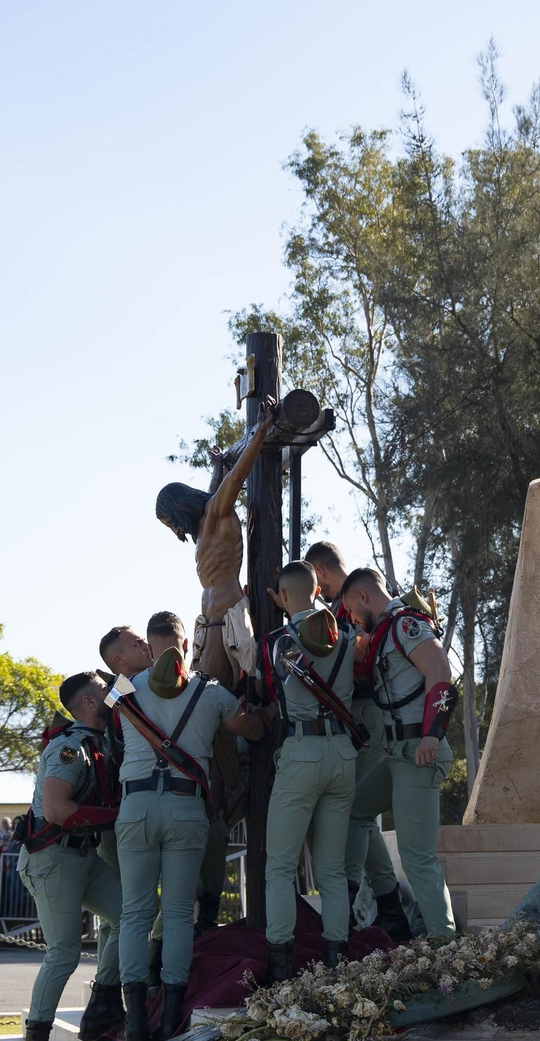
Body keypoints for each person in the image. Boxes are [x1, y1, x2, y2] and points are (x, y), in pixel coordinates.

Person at [114, 612, 263, 1041]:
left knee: (134, 914)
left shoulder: (122, 689)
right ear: (185, 645)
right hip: (185, 806)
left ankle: (136, 1019)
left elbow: (106, 721)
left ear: (149, 644)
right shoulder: (211, 692)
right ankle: (171, 1015)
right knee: (179, 914)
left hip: (136, 805)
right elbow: (249, 729)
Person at [338, 568, 458, 940]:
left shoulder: (405, 624)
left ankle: (446, 945)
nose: (354, 621)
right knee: (357, 808)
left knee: (417, 855)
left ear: (362, 596)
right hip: (397, 752)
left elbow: (440, 672)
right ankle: (348, 895)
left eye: (352, 612)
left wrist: (431, 737)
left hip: (418, 752)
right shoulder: (384, 631)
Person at [15, 672, 125, 1041]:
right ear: (90, 703)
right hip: (51, 857)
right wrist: (119, 815)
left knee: (129, 915)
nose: (113, 692)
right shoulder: (70, 747)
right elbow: (57, 810)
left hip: (81, 856)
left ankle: (102, 1004)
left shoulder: (103, 740)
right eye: (104, 689)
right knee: (64, 952)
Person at [259, 562, 359, 982]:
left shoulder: (277, 641)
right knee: (332, 870)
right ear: (319, 590)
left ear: (282, 597)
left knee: (280, 867)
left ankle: (281, 970)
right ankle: (337, 965)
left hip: (301, 751)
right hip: (343, 753)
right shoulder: (348, 635)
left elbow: (269, 690)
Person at [305, 541, 407, 939]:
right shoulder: (348, 606)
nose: (317, 591)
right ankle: (389, 906)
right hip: (359, 719)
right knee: (360, 817)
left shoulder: (360, 606)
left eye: (315, 581)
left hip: (368, 717)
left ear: (321, 572)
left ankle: (350, 906)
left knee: (355, 812)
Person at [154, 398, 275, 685]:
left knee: (211, 691)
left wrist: (260, 431)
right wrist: (217, 467)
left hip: (225, 618)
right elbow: (218, 486)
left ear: (179, 508)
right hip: (209, 622)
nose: (174, 530)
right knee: (206, 688)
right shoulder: (204, 524)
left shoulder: (216, 513)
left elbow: (235, 479)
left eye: (171, 522)